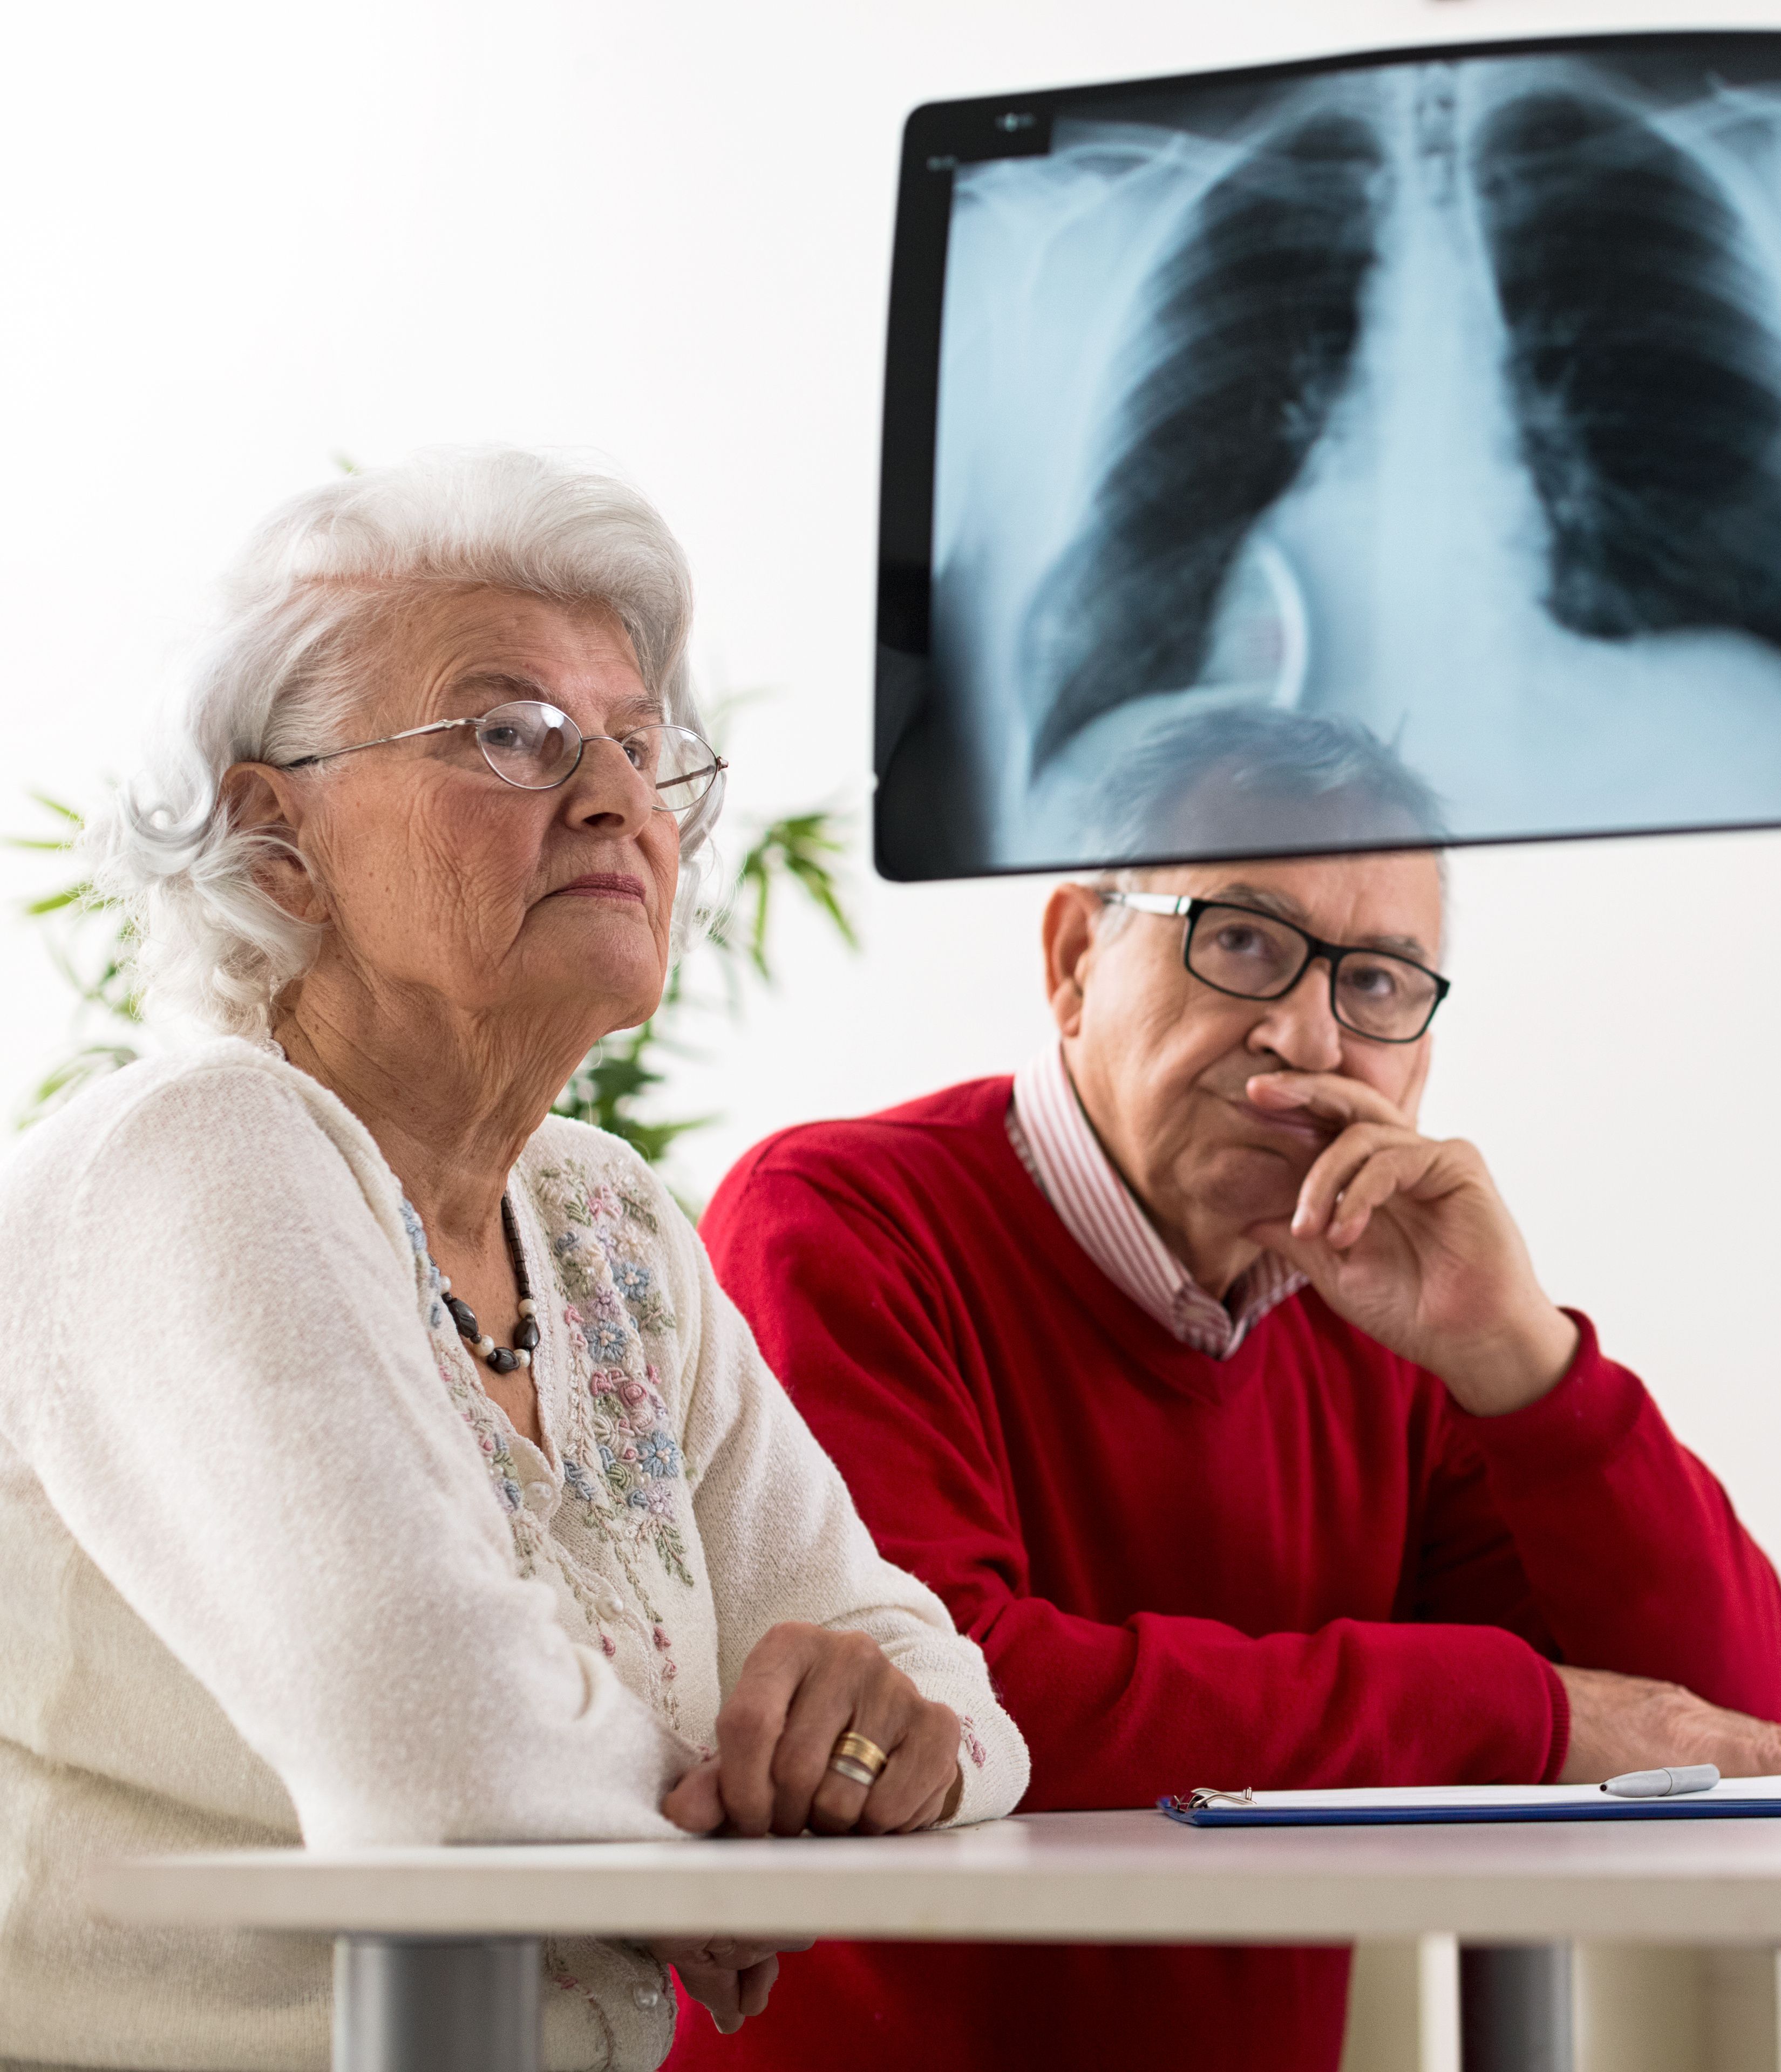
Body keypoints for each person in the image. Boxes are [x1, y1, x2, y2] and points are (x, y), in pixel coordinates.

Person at [0, 451, 1031, 2072]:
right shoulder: (194, 1153)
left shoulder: (606, 1225)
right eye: (512, 733)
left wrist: (883, 1749)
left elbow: (944, 1694)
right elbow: (435, 1756)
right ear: (276, 840)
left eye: (640, 744)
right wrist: (738, 1843)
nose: (619, 795)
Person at [675, 707, 1781, 2072]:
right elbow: (949, 1697)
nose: (1309, 1036)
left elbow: (1716, 1715)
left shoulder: (1390, 1308)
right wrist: (1522, 1710)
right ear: (1075, 960)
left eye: (1376, 981)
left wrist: (1519, 1357)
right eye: (1244, 941)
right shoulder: (839, 1221)